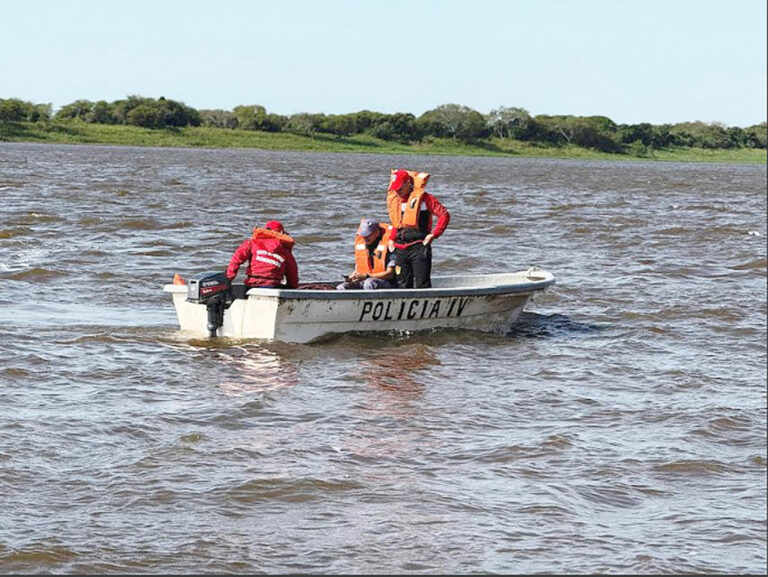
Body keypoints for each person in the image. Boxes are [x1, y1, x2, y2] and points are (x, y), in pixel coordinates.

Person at [386, 168, 450, 289]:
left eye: (400, 189)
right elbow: (397, 224)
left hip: (419, 248)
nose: (398, 192)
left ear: (408, 184)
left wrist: (434, 234)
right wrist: (391, 239)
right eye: (395, 190)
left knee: (422, 284)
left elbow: (444, 215)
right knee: (402, 285)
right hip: (400, 249)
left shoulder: (425, 199)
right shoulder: (396, 200)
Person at [225, 220, 299, 294]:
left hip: (252, 285)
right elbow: (292, 272)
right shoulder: (285, 250)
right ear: (281, 233)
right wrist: (293, 287)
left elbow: (236, 260)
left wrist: (228, 279)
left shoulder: (251, 243)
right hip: (273, 286)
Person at [337, 218, 396, 290]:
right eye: (363, 235)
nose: (365, 238)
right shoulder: (363, 246)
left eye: (368, 235)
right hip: (365, 279)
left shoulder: (388, 247)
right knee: (342, 287)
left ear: (376, 233)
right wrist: (351, 277)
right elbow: (358, 269)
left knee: (369, 283)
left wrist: (367, 276)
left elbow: (390, 274)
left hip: (383, 282)